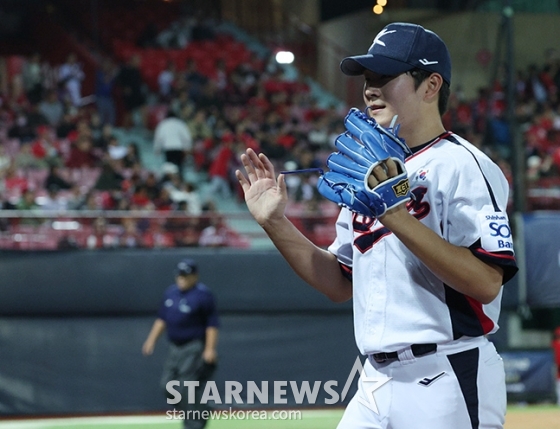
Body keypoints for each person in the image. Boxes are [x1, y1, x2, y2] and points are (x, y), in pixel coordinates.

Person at [236, 22, 519, 429]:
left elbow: (488, 282)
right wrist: (275, 223)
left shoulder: (463, 165)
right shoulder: (369, 173)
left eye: (385, 76)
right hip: (374, 379)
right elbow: (338, 283)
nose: (370, 88)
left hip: (447, 373)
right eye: (368, 78)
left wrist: (395, 215)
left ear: (431, 84)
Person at [142, 258, 219, 429]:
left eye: (186, 276)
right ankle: (200, 409)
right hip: (175, 347)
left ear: (195, 276)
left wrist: (210, 349)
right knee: (167, 386)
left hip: (193, 347)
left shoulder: (203, 295)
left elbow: (212, 325)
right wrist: (151, 340)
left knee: (186, 386)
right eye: (179, 276)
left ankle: (194, 424)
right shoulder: (171, 293)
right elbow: (162, 319)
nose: (181, 279)